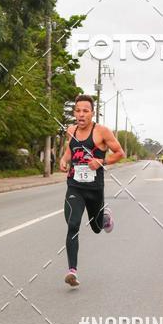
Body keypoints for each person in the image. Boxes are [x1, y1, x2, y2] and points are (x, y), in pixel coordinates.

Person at [59, 95, 125, 287]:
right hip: (75, 186)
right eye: (78, 110)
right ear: (74, 113)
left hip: (94, 188)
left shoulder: (102, 132)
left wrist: (101, 161)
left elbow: (120, 153)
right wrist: (63, 160)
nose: (81, 114)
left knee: (96, 228)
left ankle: (105, 217)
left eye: (85, 111)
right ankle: (72, 271)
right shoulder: (71, 130)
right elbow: (69, 151)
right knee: (73, 224)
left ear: (92, 113)